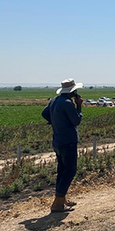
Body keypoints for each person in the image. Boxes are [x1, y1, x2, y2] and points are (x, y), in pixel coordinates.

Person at [41, 79, 84, 213]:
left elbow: (44, 113)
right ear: (72, 91)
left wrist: (54, 121)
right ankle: (57, 203)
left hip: (58, 141)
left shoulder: (54, 101)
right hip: (68, 141)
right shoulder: (67, 103)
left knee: (62, 170)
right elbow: (76, 121)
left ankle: (62, 199)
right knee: (70, 170)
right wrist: (79, 106)